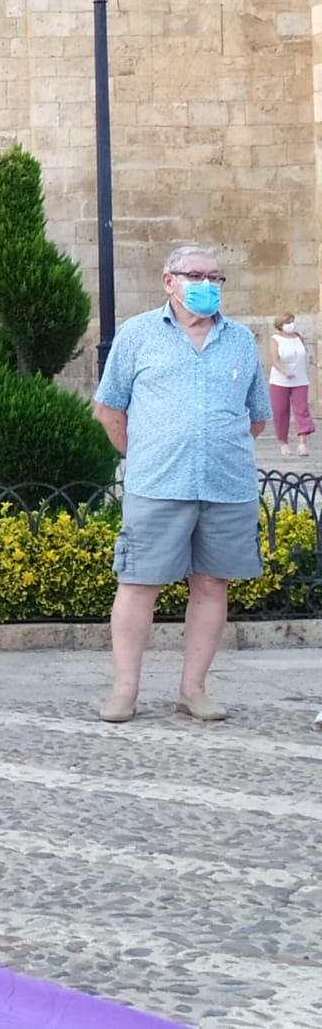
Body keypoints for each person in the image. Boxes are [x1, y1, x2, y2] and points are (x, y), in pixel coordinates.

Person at [93, 245, 269, 723]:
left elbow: (256, 417)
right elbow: (109, 409)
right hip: (157, 483)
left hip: (226, 485)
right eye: (196, 275)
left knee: (212, 584)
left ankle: (194, 689)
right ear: (168, 281)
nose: (207, 284)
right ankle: (125, 691)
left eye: (215, 277)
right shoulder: (137, 335)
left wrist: (211, 445)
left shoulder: (240, 340)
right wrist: (149, 452)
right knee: (138, 583)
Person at [265, 314, 312, 459]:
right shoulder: (275, 339)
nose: (291, 325)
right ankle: (283, 442)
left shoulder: (298, 337)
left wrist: (315, 363)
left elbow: (306, 355)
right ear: (280, 324)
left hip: (300, 380)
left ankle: (302, 444)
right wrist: (284, 371)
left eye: (292, 322)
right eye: (288, 322)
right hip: (280, 381)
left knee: (302, 410)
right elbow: (274, 359)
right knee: (281, 412)